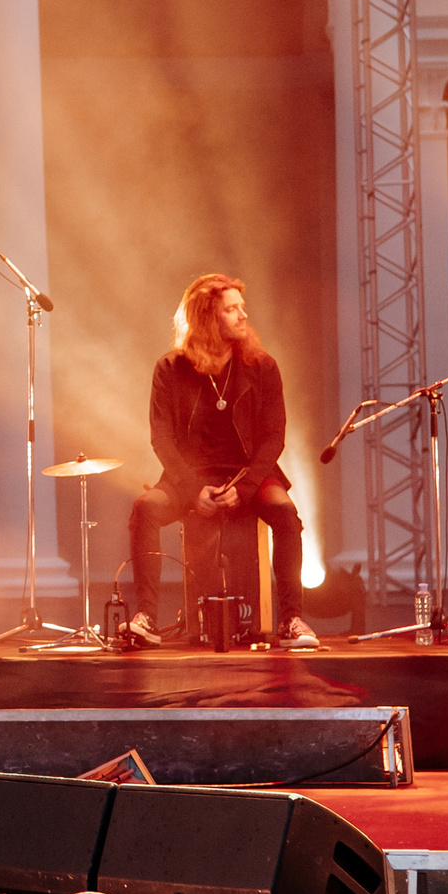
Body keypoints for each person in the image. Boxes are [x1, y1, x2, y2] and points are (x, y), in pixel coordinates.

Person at [124, 272, 316, 649]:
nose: (243, 316)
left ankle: (291, 619)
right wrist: (194, 489)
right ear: (208, 318)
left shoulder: (263, 367)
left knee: (286, 514)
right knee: (145, 508)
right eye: (231, 309)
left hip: (250, 474)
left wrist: (244, 488)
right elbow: (160, 437)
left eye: (241, 308)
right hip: (189, 478)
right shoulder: (170, 368)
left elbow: (273, 437)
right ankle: (146, 616)